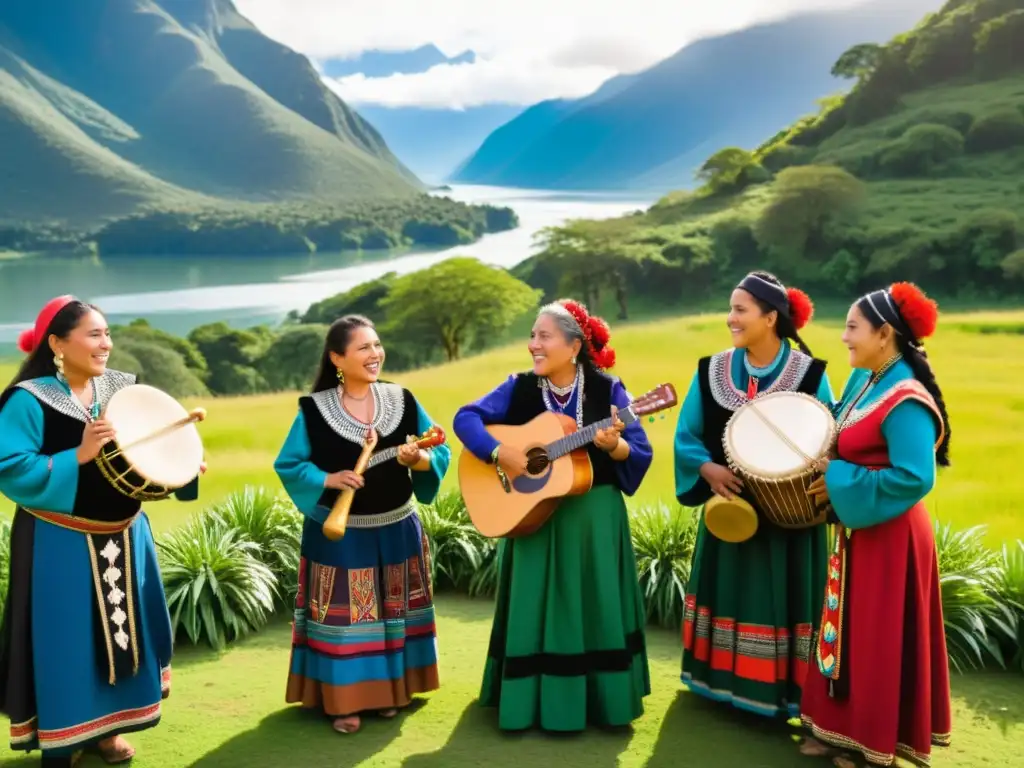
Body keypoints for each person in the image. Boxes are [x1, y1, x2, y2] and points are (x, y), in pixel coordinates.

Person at [0, 296, 203, 768]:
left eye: (108, 333)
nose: (105, 343)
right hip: (59, 539)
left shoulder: (124, 390)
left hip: (128, 538)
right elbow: (9, 468)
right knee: (68, 642)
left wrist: (183, 468)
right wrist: (78, 455)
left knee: (126, 637)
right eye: (94, 334)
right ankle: (65, 737)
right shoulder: (27, 401)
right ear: (56, 343)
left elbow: (149, 449)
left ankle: (110, 732)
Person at [452, 299, 654, 732]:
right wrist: (501, 452)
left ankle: (604, 703)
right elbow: (465, 417)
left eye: (543, 336)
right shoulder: (519, 387)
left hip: (593, 519)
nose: (533, 345)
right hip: (532, 519)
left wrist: (611, 446)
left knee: (595, 604)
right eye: (532, 335)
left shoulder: (609, 391)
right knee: (533, 608)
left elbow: (636, 451)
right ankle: (528, 703)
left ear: (574, 346)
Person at [273, 314, 450, 735]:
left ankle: (391, 693)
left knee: (393, 612)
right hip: (339, 534)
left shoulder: (403, 400)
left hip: (396, 525)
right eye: (363, 348)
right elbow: (289, 464)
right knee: (347, 619)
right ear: (337, 358)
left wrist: (420, 459)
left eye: (377, 345)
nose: (375, 354)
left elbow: (438, 451)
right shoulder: (314, 410)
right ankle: (344, 702)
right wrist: (327, 479)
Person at [798, 282, 952, 768]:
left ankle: (874, 741)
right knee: (846, 630)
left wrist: (837, 477)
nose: (843, 337)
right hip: (860, 528)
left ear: (884, 334)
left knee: (876, 637)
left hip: (891, 536)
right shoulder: (867, 380)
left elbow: (914, 476)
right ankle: (837, 728)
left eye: (851, 327)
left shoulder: (906, 397)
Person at [673, 271, 834, 720]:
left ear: (770, 317)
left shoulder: (811, 374)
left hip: (791, 524)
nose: (731, 318)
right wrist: (706, 468)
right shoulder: (710, 370)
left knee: (782, 601)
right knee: (728, 593)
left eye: (740, 310)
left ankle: (784, 695)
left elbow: (829, 439)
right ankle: (717, 685)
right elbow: (686, 435)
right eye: (731, 308)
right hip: (729, 515)